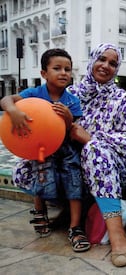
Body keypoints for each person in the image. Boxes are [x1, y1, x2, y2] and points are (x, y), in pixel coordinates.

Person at [0, 49, 91, 252]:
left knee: (73, 178)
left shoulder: (71, 101)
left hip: (66, 149)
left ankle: (75, 227)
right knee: (39, 174)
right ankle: (40, 210)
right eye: (57, 68)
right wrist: (13, 110)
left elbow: (71, 129)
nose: (63, 73)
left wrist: (67, 117)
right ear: (44, 73)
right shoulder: (33, 94)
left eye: (67, 69)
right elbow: (5, 101)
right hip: (40, 148)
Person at [68, 43, 126, 267]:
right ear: (91, 60)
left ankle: (117, 234)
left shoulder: (121, 98)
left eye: (113, 63)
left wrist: (90, 139)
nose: (106, 66)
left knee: (94, 150)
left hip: (120, 168)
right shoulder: (71, 95)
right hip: (78, 166)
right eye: (101, 59)